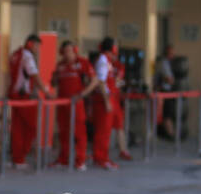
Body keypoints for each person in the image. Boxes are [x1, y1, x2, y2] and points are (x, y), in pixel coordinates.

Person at [50, 40, 100, 170]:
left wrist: (82, 94)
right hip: (62, 104)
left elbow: (94, 81)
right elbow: (53, 84)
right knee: (63, 132)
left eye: (70, 51)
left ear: (75, 51)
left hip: (76, 104)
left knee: (79, 133)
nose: (67, 54)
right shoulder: (60, 65)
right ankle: (64, 159)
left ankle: (80, 160)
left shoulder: (82, 63)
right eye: (65, 51)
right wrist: (53, 79)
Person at [7, 34, 51, 170]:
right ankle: (21, 156)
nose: (38, 49)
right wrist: (46, 91)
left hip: (15, 94)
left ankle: (18, 158)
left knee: (18, 128)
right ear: (31, 44)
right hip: (22, 96)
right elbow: (34, 75)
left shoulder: (16, 54)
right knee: (31, 126)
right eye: (37, 46)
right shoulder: (27, 56)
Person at [90, 38, 118, 170]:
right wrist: (107, 101)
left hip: (106, 99)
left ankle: (103, 157)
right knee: (102, 131)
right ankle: (100, 158)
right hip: (102, 100)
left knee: (106, 131)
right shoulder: (102, 60)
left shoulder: (107, 61)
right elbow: (100, 81)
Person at [154, 44, 178, 138]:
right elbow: (169, 79)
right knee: (166, 114)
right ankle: (170, 134)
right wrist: (172, 81)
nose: (173, 55)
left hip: (165, 92)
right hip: (163, 92)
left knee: (167, 113)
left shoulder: (168, 63)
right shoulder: (164, 63)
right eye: (171, 53)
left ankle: (168, 132)